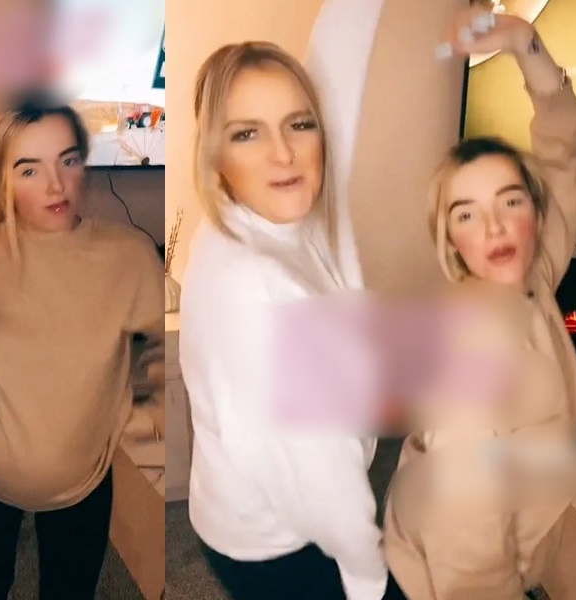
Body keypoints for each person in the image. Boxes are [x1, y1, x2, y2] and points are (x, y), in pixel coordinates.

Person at [381, 6, 576, 600]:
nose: (495, 227)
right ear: (450, 239)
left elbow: (569, 156)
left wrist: (526, 43)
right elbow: (466, 538)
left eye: (510, 201)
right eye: (467, 214)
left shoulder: (531, 276)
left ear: (536, 213)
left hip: (515, 537)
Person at [179, 42, 406, 600]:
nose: (283, 153)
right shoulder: (264, 288)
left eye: (300, 124)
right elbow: (328, 487)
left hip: (235, 506)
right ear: (215, 154)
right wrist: (369, 581)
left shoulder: (246, 221)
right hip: (281, 544)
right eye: (247, 133)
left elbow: (342, 66)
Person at [0, 99, 166, 599]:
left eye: (68, 160)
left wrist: (142, 418)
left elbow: (157, 358)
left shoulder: (129, 256)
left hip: (82, 481)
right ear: (2, 182)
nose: (56, 186)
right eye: (29, 169)